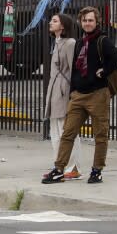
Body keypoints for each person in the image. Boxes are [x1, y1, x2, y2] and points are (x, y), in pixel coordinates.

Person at [42, 6, 117, 184]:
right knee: (68, 133)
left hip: (98, 94)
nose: (87, 23)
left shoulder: (103, 41)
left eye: (90, 20)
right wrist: (73, 92)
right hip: (78, 95)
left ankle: (97, 170)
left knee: (100, 135)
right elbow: (74, 70)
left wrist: (104, 71)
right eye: (84, 20)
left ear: (97, 22)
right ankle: (59, 169)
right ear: (81, 22)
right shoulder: (79, 42)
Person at [43, 13, 82, 179]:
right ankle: (59, 166)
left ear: (63, 25)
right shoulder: (57, 42)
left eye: (55, 21)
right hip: (55, 90)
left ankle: (72, 167)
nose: (51, 23)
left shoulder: (70, 43)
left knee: (67, 129)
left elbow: (74, 69)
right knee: (56, 130)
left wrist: (72, 92)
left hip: (64, 91)